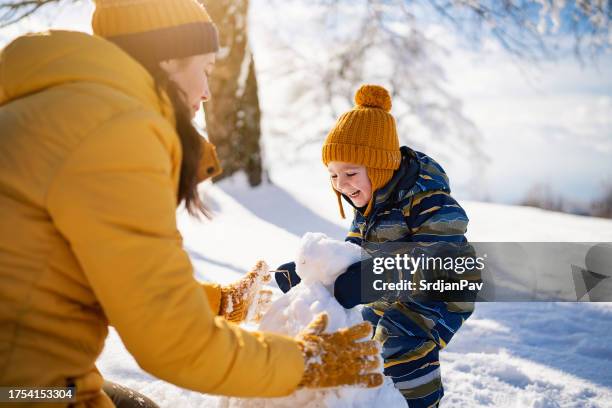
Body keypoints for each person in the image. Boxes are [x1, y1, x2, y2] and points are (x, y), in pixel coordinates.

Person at [0, 1, 383, 407]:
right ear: (166, 58)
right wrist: (303, 363)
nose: (205, 91)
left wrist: (221, 304)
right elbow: (171, 341)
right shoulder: (112, 132)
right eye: (204, 68)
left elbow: (120, 277)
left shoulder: (62, 109)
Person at [276, 85, 477, 407]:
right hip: (390, 288)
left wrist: (370, 278)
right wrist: (313, 276)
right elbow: (351, 255)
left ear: (380, 167)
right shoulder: (369, 208)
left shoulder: (428, 200)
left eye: (350, 172)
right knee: (360, 337)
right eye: (333, 175)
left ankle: (420, 403)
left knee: (399, 339)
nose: (341, 184)